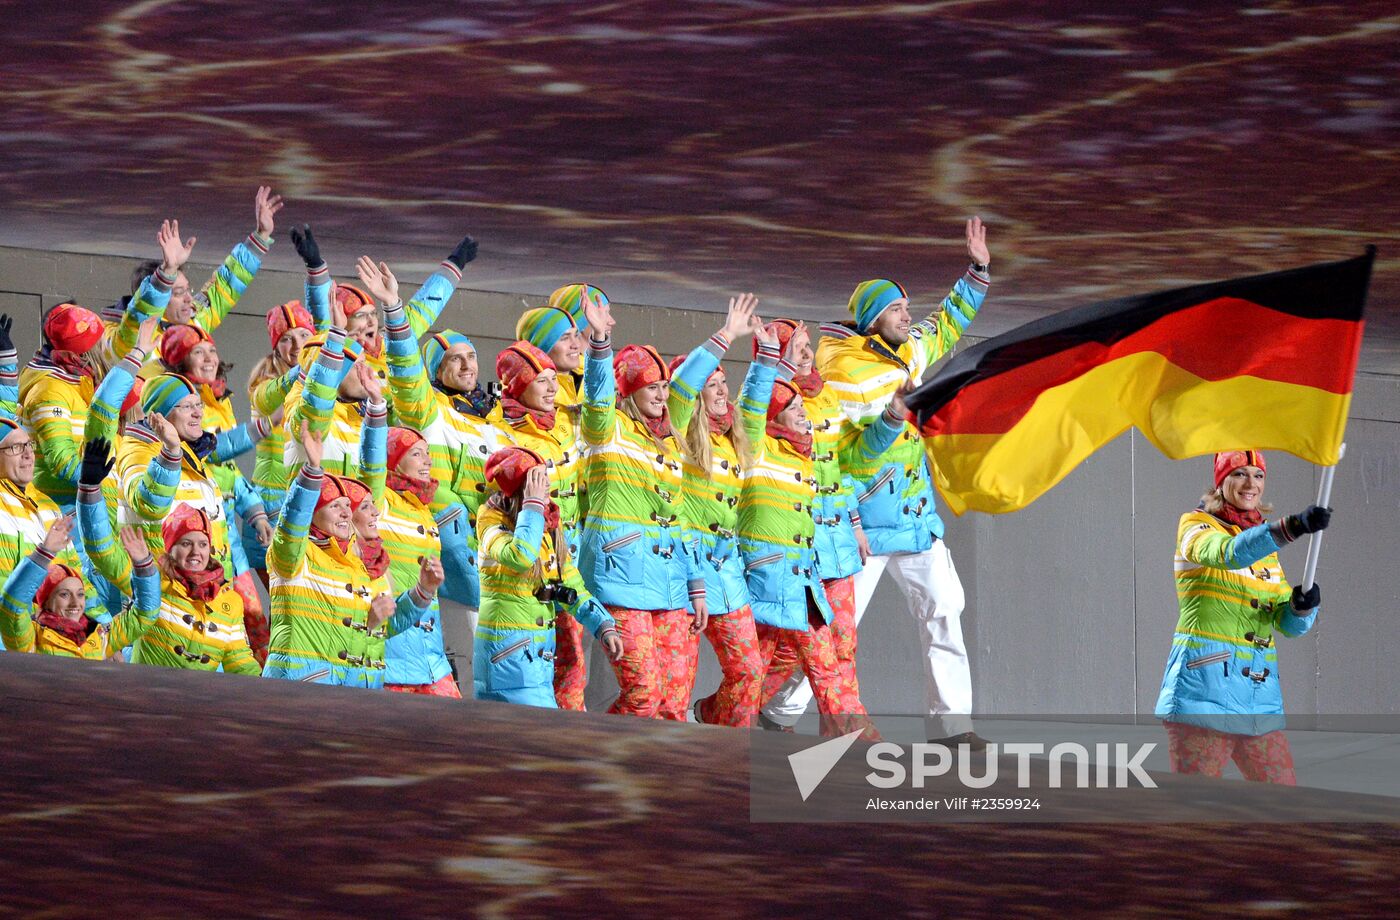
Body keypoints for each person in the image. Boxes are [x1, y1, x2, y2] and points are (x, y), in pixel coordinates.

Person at [765, 217, 992, 745]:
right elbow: (845, 461)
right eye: (896, 309)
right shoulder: (840, 374)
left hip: (915, 522)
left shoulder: (904, 350)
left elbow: (945, 325)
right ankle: (779, 713)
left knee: (945, 614)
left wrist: (977, 272)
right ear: (872, 319)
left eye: (905, 307)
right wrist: (890, 423)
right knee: (834, 634)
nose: (907, 316)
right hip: (862, 529)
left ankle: (953, 729)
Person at [577, 292, 756, 719]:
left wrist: (696, 584)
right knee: (642, 697)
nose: (660, 395)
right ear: (630, 391)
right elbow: (600, 395)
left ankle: (666, 782)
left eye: (662, 387)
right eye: (649, 387)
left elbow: (676, 519)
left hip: (673, 585)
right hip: (623, 583)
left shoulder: (672, 438)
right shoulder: (608, 430)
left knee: (673, 704)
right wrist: (601, 343)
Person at [1155, 451, 1331, 784]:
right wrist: (1291, 527)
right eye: (1239, 474)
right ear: (1220, 482)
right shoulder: (1195, 526)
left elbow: (1286, 625)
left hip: (1258, 704)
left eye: (1258, 475)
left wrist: (1301, 606)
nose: (1251, 484)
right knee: (1196, 813)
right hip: (1204, 697)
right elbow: (1228, 553)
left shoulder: (1266, 546)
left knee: (1285, 809)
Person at [740, 377, 888, 740]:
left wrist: (853, 524)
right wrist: (770, 357)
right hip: (768, 580)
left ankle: (855, 741)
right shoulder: (756, 450)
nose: (804, 413)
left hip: (808, 576)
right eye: (793, 409)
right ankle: (720, 721)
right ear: (773, 420)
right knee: (752, 670)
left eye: (802, 406)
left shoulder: (805, 451)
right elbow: (751, 412)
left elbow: (841, 479)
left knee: (829, 659)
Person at [264, 422, 441, 688]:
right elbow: (291, 523)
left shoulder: (357, 565)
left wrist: (422, 592)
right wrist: (312, 472)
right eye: (335, 506)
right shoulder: (294, 557)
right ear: (312, 511)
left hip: (355, 690)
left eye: (348, 506)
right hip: (299, 691)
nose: (347, 513)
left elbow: (378, 630)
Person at [79, 441, 260, 675]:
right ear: (170, 549)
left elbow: (241, 664)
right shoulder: (152, 583)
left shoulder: (229, 603)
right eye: (186, 543)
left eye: (203, 544)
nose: (196, 552)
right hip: (148, 702)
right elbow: (101, 550)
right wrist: (89, 490)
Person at [680, 304, 780, 727]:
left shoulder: (737, 439)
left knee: (749, 672)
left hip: (727, 571)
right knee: (672, 685)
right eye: (713, 385)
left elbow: (754, 404)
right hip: (683, 570)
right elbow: (680, 386)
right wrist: (725, 335)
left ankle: (727, 742)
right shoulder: (678, 437)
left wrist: (766, 357)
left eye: (725, 383)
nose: (723, 392)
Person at [475, 446, 622, 706]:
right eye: (539, 479)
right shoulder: (490, 520)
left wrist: (602, 625)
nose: (548, 486)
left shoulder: (544, 526)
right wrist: (532, 506)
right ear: (522, 485)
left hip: (534, 661)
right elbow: (519, 556)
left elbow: (570, 583)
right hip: (507, 659)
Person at [492, 340, 592, 708]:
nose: (553, 388)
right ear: (518, 386)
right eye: (542, 381)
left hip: (566, 562)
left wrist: (598, 341)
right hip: (524, 568)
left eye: (554, 379)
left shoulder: (567, 421)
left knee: (572, 665)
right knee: (534, 669)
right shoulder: (498, 432)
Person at [106, 188, 283, 372]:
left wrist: (261, 235)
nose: (189, 299)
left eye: (187, 290)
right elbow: (141, 311)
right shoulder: (130, 339)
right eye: (178, 293)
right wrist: (167, 271)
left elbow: (226, 284)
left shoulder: (194, 322)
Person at [369, 426, 463, 696]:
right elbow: (370, 462)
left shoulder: (423, 508)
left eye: (428, 454)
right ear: (393, 459)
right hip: (395, 660)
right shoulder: (379, 502)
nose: (428, 461)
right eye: (416, 454)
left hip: (432, 659)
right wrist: (375, 405)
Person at [0, 514, 158, 659]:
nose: (76, 603)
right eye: (64, 594)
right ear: (46, 600)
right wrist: (43, 553)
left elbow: (144, 616)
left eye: (80, 594)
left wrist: (144, 566)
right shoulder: (28, 638)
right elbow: (12, 605)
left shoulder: (98, 637)